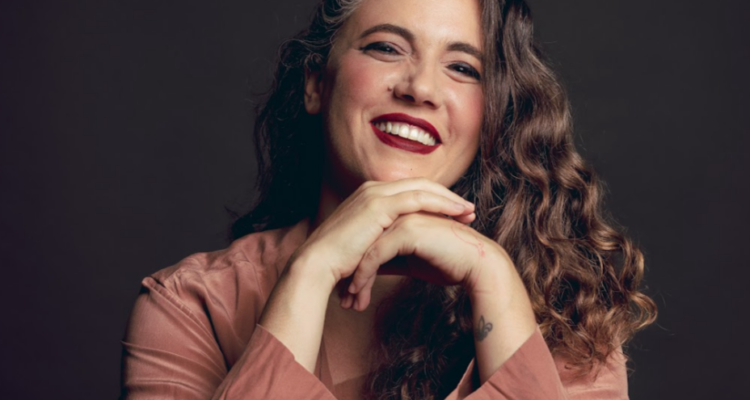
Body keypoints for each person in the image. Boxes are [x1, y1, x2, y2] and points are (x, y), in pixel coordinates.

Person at [119, 0, 657, 398]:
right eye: (386, 47)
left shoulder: (572, 318)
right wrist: (310, 273)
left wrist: (493, 277)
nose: (419, 88)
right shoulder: (191, 306)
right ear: (316, 83)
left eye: (463, 68)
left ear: (494, 117)